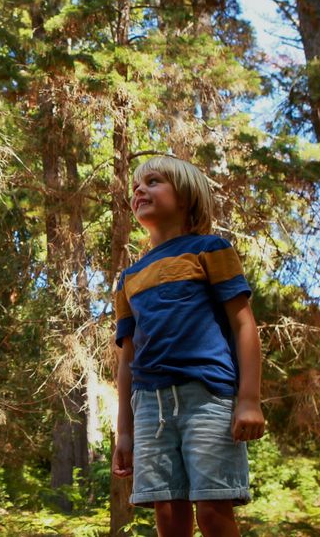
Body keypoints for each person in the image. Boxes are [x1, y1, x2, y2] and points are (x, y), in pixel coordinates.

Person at [110, 156, 265, 536]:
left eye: (153, 181)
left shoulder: (210, 249)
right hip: (149, 408)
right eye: (135, 187)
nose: (140, 191)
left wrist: (249, 399)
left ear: (186, 197)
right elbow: (127, 358)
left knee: (213, 509)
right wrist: (124, 432)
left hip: (208, 398)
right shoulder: (128, 279)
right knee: (167, 511)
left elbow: (243, 323)